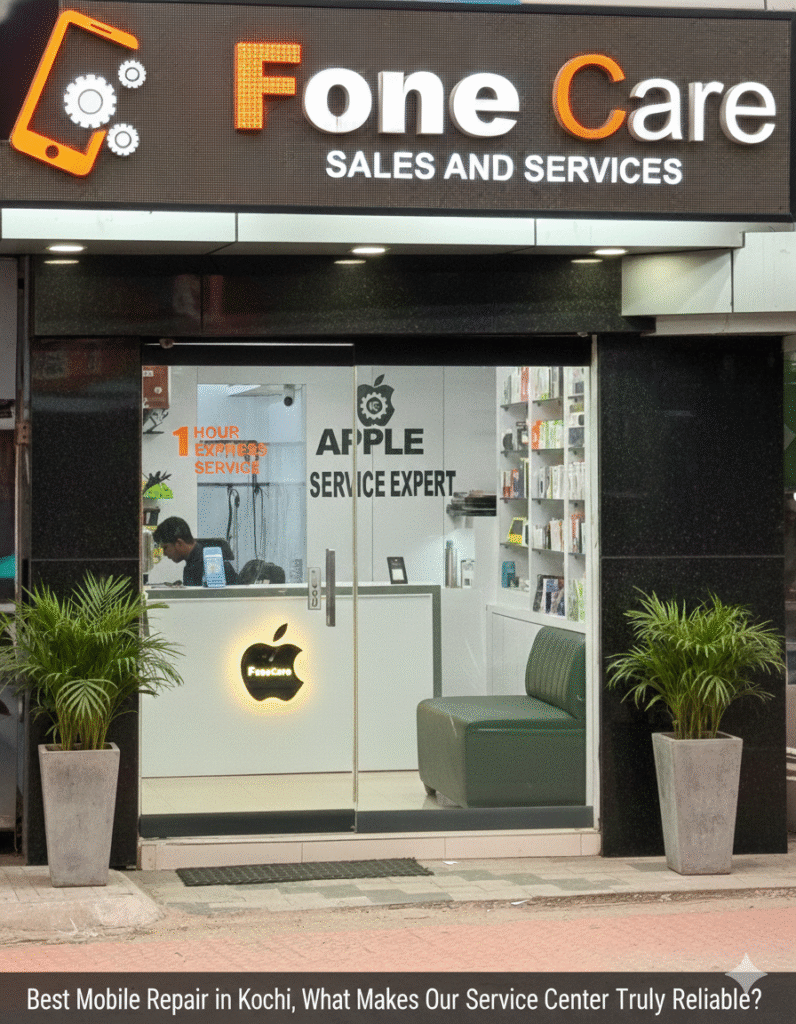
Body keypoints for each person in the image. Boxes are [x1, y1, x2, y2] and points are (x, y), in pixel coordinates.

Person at [152, 517, 239, 586]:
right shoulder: (192, 563)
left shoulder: (212, 565)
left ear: (179, 543)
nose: (164, 553)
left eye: (165, 548)